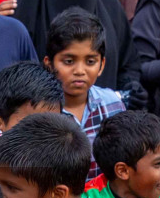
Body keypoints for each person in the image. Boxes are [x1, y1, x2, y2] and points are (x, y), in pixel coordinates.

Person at [47, 9, 125, 138]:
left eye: (90, 61)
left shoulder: (112, 104)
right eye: (69, 61)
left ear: (101, 65)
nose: (79, 71)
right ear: (49, 64)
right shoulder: (41, 112)